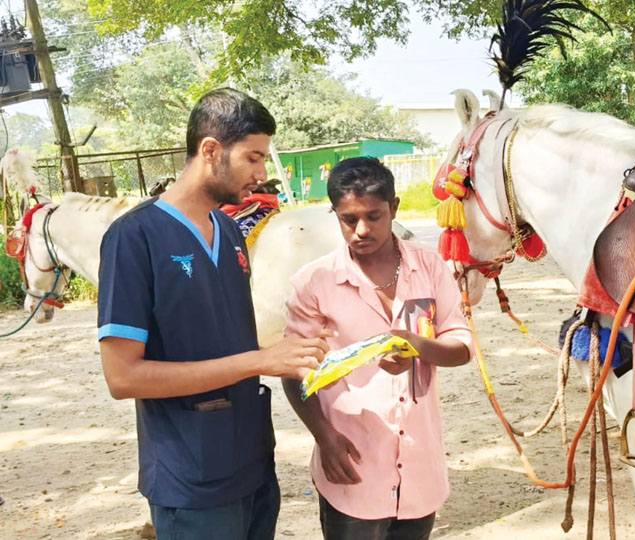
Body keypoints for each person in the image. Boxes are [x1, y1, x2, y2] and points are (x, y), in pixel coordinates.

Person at [97, 88, 330, 540]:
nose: (262, 175)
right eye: (253, 159)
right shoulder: (134, 238)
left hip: (253, 464)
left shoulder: (227, 228)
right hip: (191, 479)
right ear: (210, 150)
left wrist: (285, 354)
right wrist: (260, 360)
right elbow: (123, 378)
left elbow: (223, 339)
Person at [283, 157, 474, 540]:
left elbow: (462, 346)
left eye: (374, 215)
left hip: (420, 469)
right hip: (352, 464)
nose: (361, 231)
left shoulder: (431, 268)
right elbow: (294, 372)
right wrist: (324, 437)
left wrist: (418, 346)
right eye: (348, 219)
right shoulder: (313, 282)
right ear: (334, 213)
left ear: (396, 208)